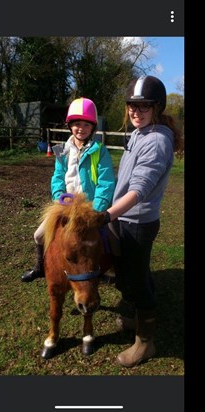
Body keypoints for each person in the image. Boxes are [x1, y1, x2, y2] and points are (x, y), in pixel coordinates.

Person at [102, 75, 184, 368]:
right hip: (123, 216)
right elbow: (126, 178)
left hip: (136, 222)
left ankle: (146, 342)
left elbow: (138, 190)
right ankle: (137, 316)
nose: (135, 112)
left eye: (144, 106)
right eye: (131, 106)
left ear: (157, 107)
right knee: (129, 272)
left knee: (134, 281)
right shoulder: (139, 133)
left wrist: (106, 215)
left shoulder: (157, 141)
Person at [21, 97, 116, 282]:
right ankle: (40, 266)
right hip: (65, 206)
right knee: (39, 235)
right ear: (70, 126)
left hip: (90, 207)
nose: (81, 128)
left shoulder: (100, 151)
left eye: (86, 125)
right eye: (77, 124)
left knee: (110, 238)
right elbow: (57, 177)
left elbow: (105, 183)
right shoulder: (62, 151)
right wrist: (58, 197)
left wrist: (97, 208)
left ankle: (108, 268)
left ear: (93, 128)